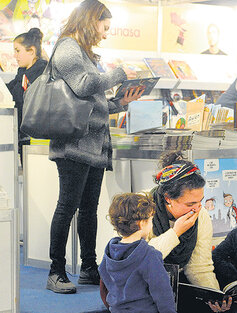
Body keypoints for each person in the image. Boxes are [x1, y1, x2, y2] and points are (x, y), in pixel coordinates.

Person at [46, 0, 143, 294]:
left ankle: (89, 267)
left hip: (94, 144)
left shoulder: (85, 53)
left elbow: (94, 103)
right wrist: (118, 75)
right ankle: (56, 270)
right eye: (105, 27)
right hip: (74, 144)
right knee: (67, 207)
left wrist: (120, 103)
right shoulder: (67, 48)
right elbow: (84, 85)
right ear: (91, 21)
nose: (105, 33)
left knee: (88, 210)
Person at [147, 151, 220, 312]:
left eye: (200, 201)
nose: (197, 208)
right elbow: (140, 261)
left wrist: (215, 296)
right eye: (190, 204)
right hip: (142, 286)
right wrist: (175, 233)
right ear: (168, 198)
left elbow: (199, 266)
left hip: (178, 283)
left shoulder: (201, 215)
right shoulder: (142, 208)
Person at [98, 193, 176, 313]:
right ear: (142, 223)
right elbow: (163, 293)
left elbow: (104, 278)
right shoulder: (149, 255)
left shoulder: (109, 250)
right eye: (150, 220)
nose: (151, 224)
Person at [6, 27, 47, 166]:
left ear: (31, 51)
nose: (15, 55)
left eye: (18, 51)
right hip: (23, 137)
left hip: (37, 141)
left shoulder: (42, 75)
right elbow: (8, 91)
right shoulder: (22, 73)